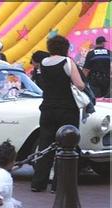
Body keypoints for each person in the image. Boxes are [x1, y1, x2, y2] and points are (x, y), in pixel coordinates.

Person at [31, 35, 85, 193]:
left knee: (45, 145)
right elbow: (80, 85)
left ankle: (38, 183)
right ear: (65, 48)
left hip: (47, 108)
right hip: (67, 109)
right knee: (66, 147)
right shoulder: (67, 62)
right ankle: (58, 185)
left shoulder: (43, 63)